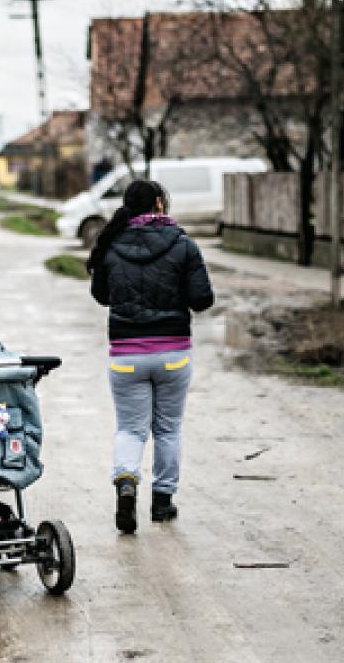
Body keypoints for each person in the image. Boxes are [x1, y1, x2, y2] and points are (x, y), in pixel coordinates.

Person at [86, 179, 213, 534]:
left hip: (126, 355)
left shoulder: (110, 245)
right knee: (168, 429)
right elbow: (202, 299)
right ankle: (162, 503)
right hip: (173, 352)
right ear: (159, 203)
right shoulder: (183, 245)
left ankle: (126, 481)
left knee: (130, 429)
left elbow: (101, 295)